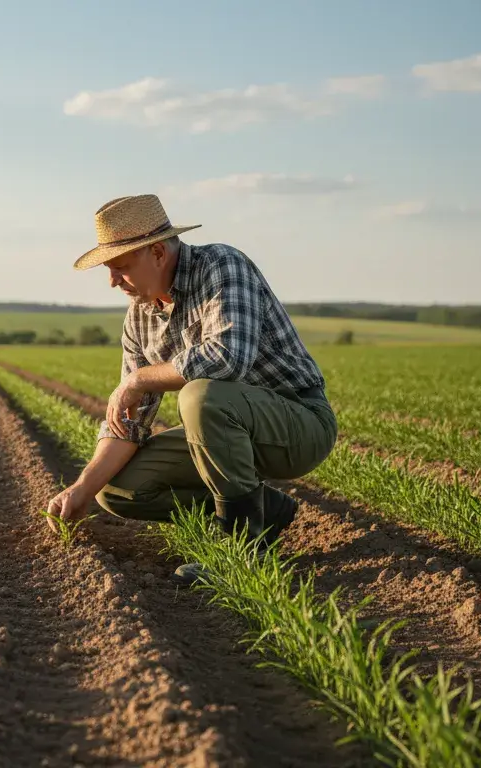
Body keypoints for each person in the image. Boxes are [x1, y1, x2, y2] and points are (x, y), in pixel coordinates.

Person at [43, 194, 338, 584]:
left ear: (157, 253)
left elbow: (229, 358)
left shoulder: (222, 266)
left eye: (121, 267)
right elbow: (130, 422)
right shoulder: (139, 320)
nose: (112, 281)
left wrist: (139, 378)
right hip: (226, 428)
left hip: (298, 423)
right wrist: (81, 490)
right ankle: (264, 510)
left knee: (201, 395)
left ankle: (243, 554)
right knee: (115, 490)